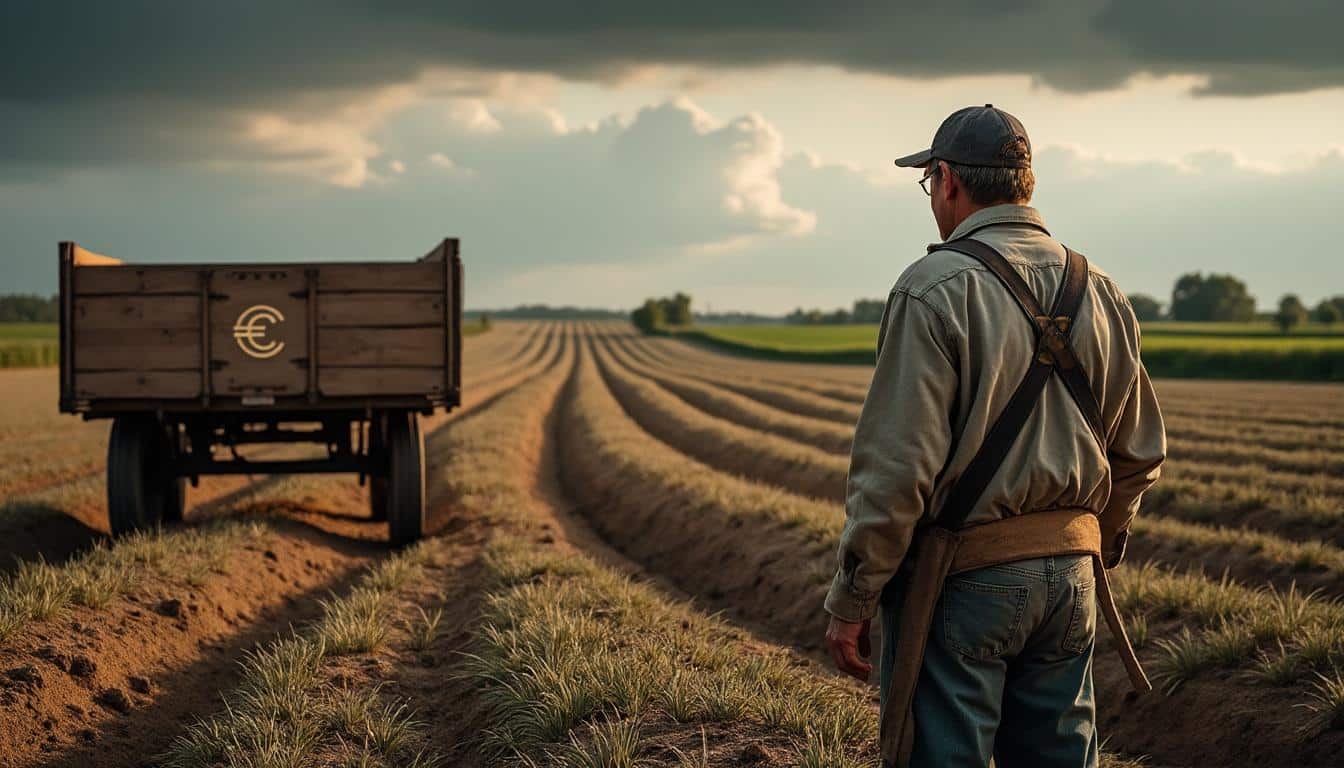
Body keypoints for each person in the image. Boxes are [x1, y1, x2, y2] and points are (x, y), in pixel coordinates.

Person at [822, 105, 1166, 768]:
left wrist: (855, 596)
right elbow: (1141, 453)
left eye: (929, 183)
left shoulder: (931, 288)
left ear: (947, 180)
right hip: (1073, 579)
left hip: (963, 580)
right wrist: (1094, 540)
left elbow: (896, 473)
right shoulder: (1102, 291)